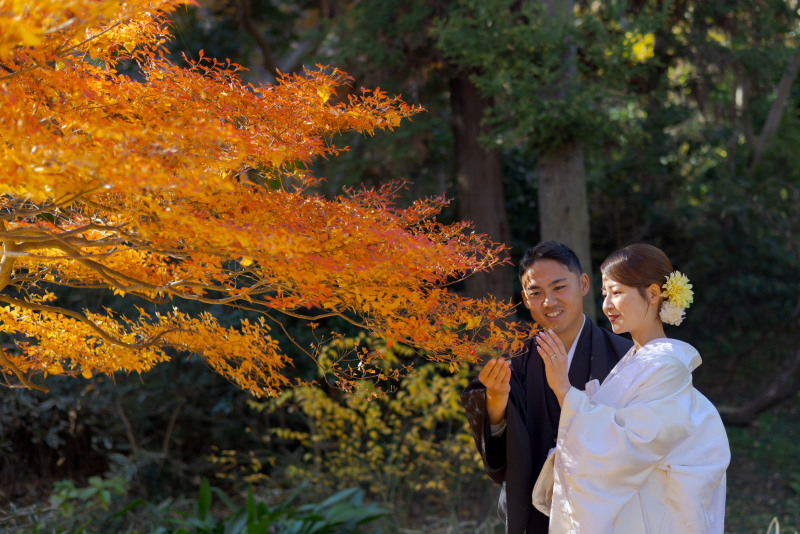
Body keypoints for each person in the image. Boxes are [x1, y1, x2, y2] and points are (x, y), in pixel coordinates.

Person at [536, 243, 730, 533]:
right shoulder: (634, 358)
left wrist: (564, 390)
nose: (607, 305)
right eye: (605, 294)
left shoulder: (667, 365)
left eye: (616, 292)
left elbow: (631, 444)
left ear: (653, 294)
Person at [461, 241, 632, 534]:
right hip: (538, 516)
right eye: (535, 292)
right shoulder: (517, 362)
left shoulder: (625, 356)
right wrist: (497, 400)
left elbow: (640, 439)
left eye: (559, 288)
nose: (548, 302)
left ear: (583, 284)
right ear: (525, 300)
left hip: (607, 511)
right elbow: (499, 454)